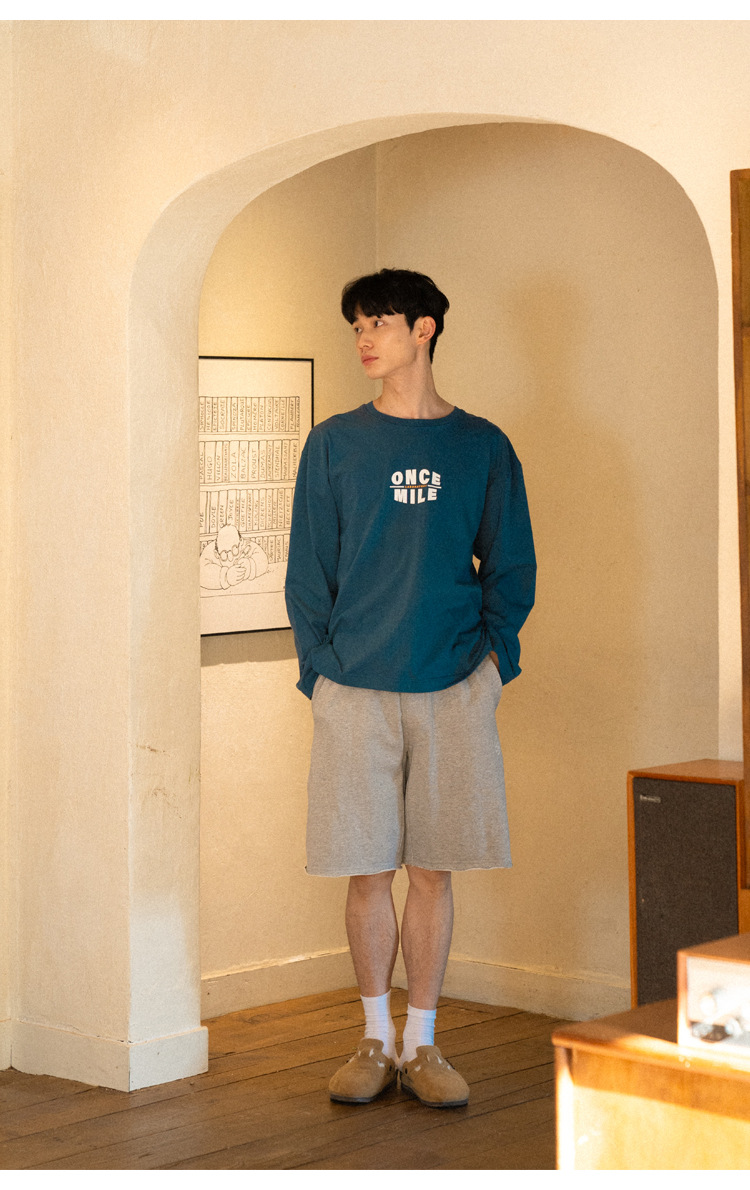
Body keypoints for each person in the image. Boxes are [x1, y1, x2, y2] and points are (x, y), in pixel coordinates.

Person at [285, 268, 535, 1109]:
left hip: (453, 686)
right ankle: (372, 1040)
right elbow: (307, 572)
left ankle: (422, 1045)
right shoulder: (334, 444)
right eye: (357, 325)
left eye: (379, 323)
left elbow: (512, 567)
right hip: (353, 688)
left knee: (432, 871)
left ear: (424, 329)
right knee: (365, 872)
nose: (363, 338)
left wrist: (491, 670)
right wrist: (319, 674)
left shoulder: (482, 446)